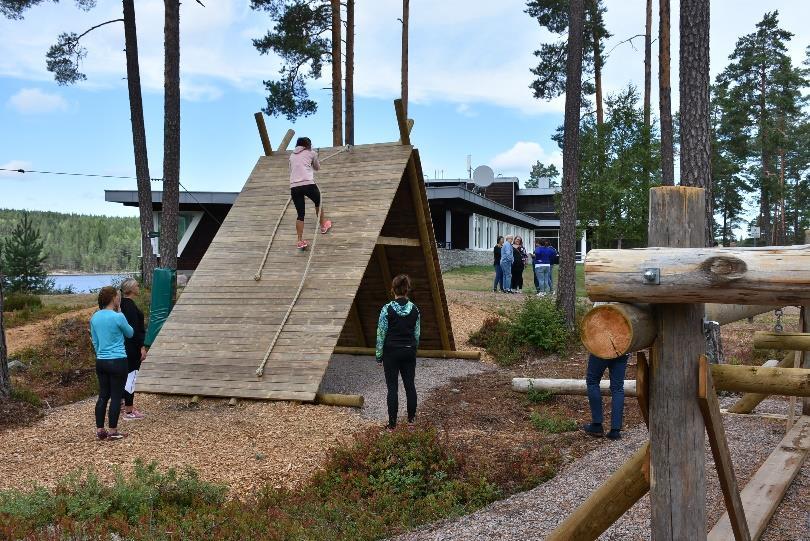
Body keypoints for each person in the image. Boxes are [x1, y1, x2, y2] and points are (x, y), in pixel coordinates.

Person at [376, 274, 421, 430]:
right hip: (409, 350)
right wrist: (413, 349)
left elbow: (381, 333)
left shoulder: (386, 309)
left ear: (393, 289)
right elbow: (417, 334)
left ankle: (392, 425)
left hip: (391, 352)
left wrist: (379, 356)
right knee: (410, 386)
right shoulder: (414, 309)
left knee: (392, 388)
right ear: (407, 290)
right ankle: (411, 422)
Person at [90, 286, 134, 440]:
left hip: (101, 361)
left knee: (103, 395)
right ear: (113, 298)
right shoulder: (118, 317)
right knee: (116, 396)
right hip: (118, 360)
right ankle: (113, 431)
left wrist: (101, 354)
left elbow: (95, 341)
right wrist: (121, 313)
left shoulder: (94, 317)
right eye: (118, 296)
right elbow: (130, 333)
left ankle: (100, 430)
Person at [289, 136, 332, 250]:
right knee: (319, 202)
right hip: (308, 184)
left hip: (294, 187)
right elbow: (317, 168)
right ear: (307, 144)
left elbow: (292, 169)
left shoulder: (292, 156)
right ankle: (323, 226)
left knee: (300, 214)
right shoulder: (311, 153)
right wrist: (313, 160)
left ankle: (299, 240)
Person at [582, 353, 629, 440]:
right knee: (617, 388)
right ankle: (615, 431)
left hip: (602, 346)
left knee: (592, 381)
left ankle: (597, 425)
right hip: (623, 348)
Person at [119, 279, 146, 420]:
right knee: (131, 377)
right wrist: (141, 346)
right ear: (130, 288)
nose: (138, 287)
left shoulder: (120, 305)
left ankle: (121, 404)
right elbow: (134, 330)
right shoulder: (129, 306)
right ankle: (129, 411)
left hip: (121, 347)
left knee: (123, 377)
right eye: (136, 285)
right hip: (132, 348)